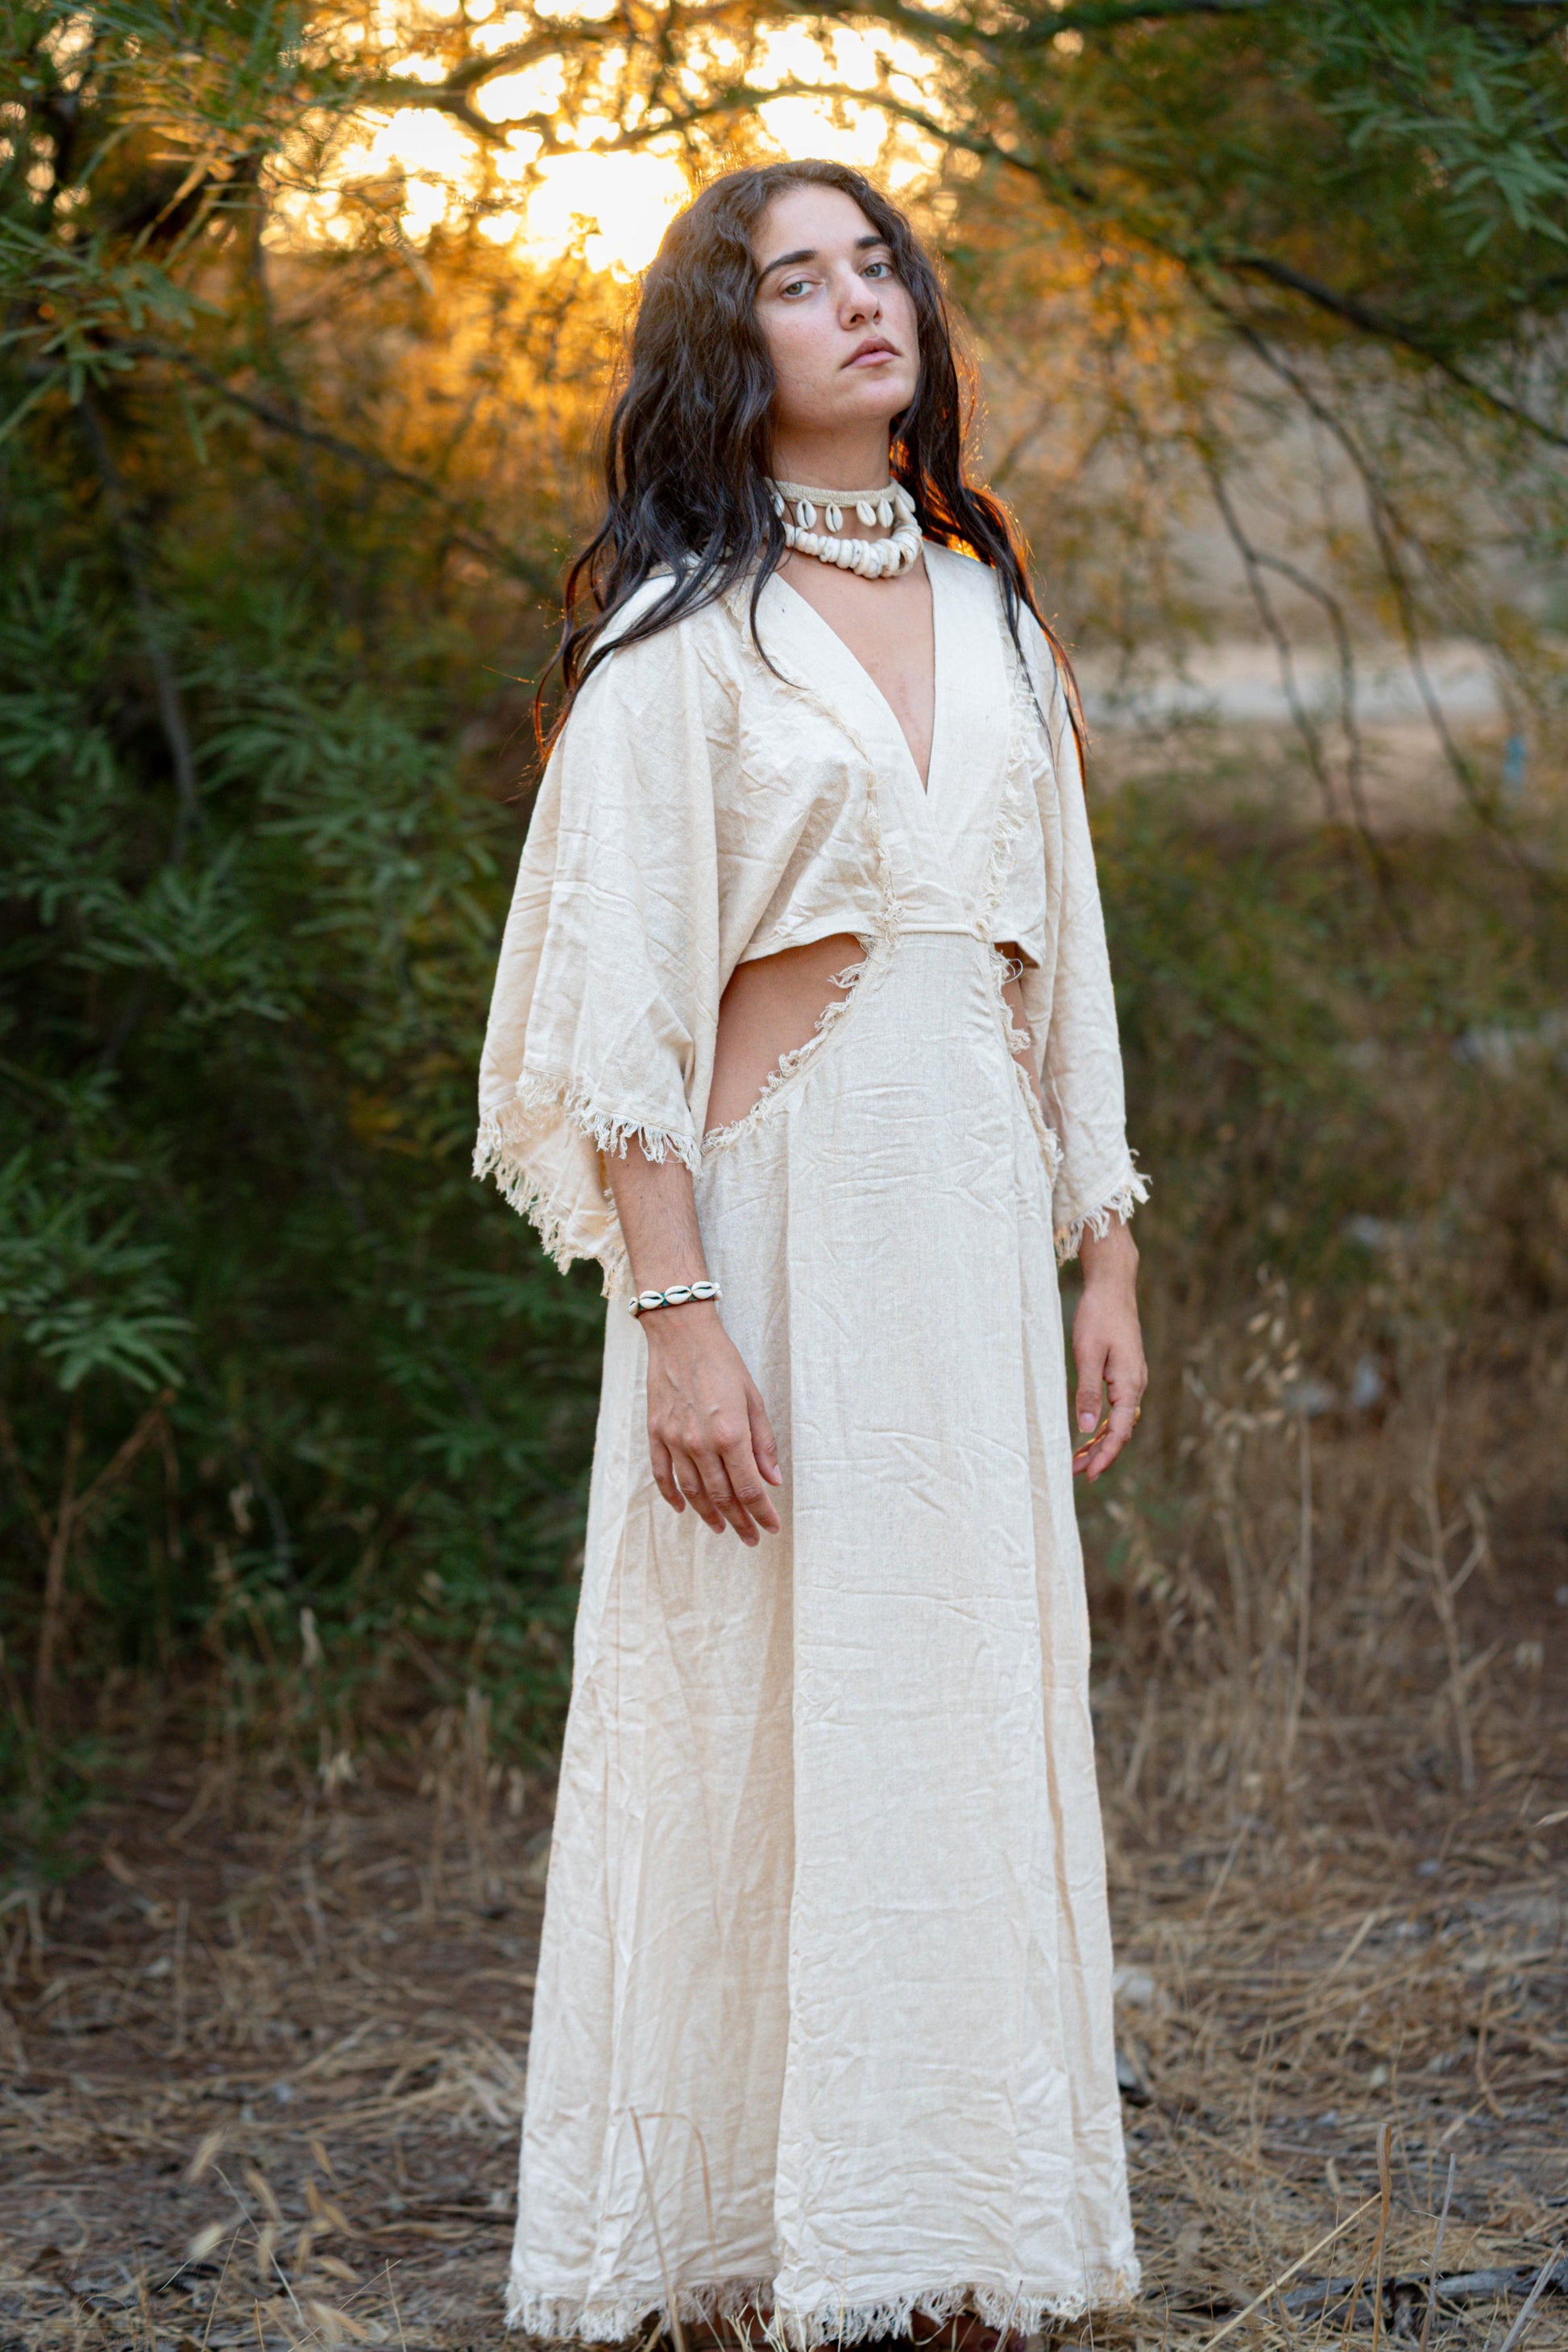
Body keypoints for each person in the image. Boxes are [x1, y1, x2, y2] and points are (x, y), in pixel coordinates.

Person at [475, 157, 1148, 2351]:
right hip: (768, 1252)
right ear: (722, 342)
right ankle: (726, 2251)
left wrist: (1104, 1255)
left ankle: (955, 2236)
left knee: (956, 1704)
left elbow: (1072, 972)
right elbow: (614, 1017)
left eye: (879, 268)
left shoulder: (994, 617)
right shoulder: (686, 640)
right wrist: (679, 1325)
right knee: (753, 1709)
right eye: (794, 279)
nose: (857, 304)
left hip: (964, 1247)